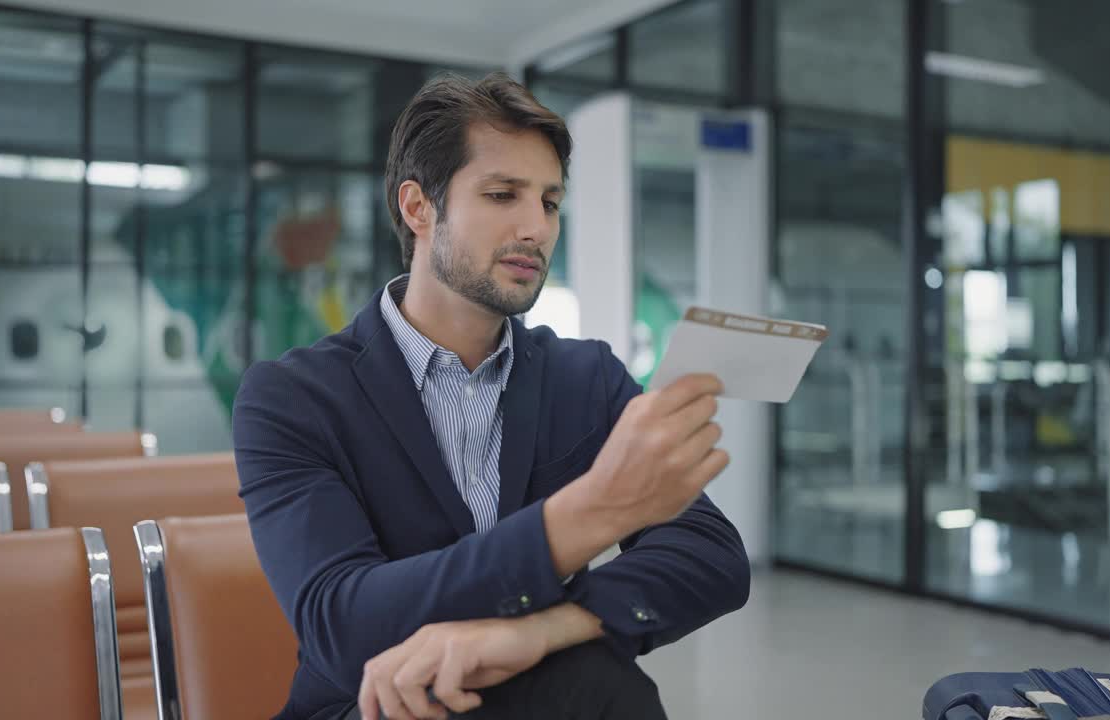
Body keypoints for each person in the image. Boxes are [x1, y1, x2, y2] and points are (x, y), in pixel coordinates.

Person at [233, 71, 751, 720]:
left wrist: (535, 630)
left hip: (542, 685)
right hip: (374, 708)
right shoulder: (293, 397)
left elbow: (712, 556)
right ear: (419, 208)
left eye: (551, 202)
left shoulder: (584, 378)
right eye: (504, 194)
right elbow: (342, 625)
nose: (536, 226)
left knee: (585, 672)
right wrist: (587, 515)